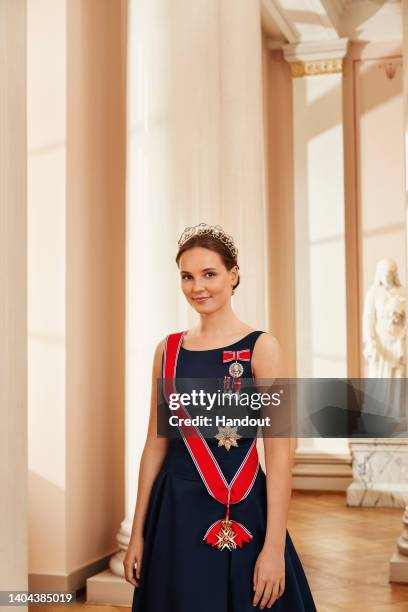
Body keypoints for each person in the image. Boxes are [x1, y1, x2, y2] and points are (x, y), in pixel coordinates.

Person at [124, 223, 317, 611]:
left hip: (243, 505)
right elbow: (154, 444)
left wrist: (275, 548)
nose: (198, 287)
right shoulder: (168, 350)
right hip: (175, 510)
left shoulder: (261, 348)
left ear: (234, 275)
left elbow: (280, 455)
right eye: (187, 276)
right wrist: (137, 533)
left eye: (209, 274)